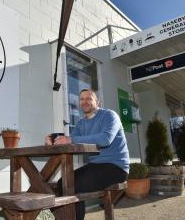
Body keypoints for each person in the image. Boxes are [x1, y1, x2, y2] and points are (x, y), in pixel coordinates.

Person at [45, 89, 130, 220]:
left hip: (116, 167)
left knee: (75, 185)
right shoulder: (81, 123)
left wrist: (71, 140)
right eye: (81, 99)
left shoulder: (109, 115)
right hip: (95, 166)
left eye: (89, 98)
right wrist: (54, 139)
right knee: (63, 182)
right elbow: (70, 141)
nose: (85, 102)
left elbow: (105, 139)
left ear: (97, 101)